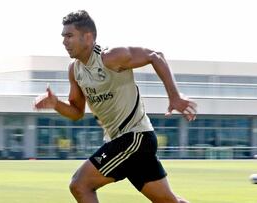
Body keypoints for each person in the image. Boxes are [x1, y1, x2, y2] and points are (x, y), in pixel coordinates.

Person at [34, 10, 197, 203]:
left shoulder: (110, 57)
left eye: (69, 36)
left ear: (88, 37)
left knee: (80, 185)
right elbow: (77, 112)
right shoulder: (75, 70)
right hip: (128, 142)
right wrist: (55, 104)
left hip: (135, 137)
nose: (64, 41)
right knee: (169, 202)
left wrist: (175, 97)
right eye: (63, 37)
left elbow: (155, 56)